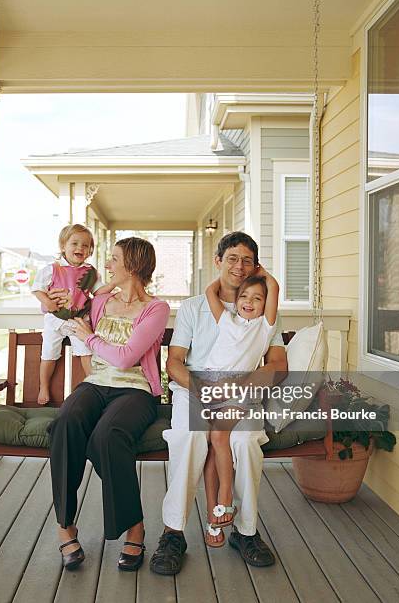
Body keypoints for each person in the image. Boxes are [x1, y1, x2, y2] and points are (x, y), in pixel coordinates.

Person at [150, 231, 287, 575]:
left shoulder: (263, 308)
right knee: (190, 435)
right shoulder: (195, 307)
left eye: (247, 260)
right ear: (219, 261)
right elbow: (175, 361)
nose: (240, 266)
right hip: (195, 388)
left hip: (241, 391)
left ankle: (246, 530)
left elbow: (279, 367)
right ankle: (173, 532)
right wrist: (201, 389)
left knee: (245, 439)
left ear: (256, 266)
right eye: (232, 259)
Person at [48, 237, 170, 572]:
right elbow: (68, 298)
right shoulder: (102, 302)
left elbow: (126, 357)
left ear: (132, 265)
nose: (108, 265)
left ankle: (134, 526)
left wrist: (90, 337)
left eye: (114, 259)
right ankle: (65, 525)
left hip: (135, 390)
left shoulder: (156, 309)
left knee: (107, 436)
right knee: (65, 423)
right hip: (95, 385)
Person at [202, 270, 279, 547]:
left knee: (218, 437)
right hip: (212, 389)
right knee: (213, 444)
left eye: (257, 298)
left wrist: (260, 272)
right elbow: (211, 292)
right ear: (236, 301)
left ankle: (225, 496)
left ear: (265, 304)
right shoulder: (227, 319)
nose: (250, 301)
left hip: (239, 391)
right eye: (244, 296)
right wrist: (224, 276)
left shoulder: (264, 327)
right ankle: (217, 514)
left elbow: (274, 286)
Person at [31, 224, 113, 404]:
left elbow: (99, 292)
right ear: (63, 246)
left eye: (85, 245)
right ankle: (43, 386)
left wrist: (114, 284)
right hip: (55, 319)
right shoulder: (52, 269)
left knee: (86, 352)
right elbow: (38, 289)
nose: (80, 248)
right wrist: (48, 302)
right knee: (49, 354)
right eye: (74, 243)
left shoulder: (90, 272)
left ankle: (94, 384)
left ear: (90, 250)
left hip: (79, 319)